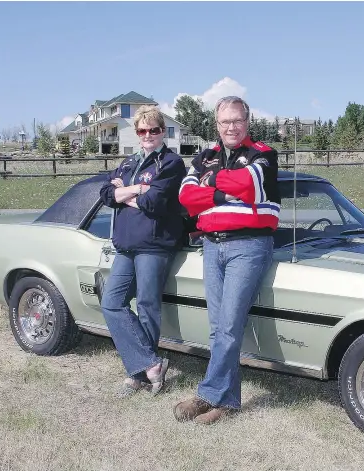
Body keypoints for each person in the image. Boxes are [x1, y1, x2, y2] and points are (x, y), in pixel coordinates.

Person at [175, 96, 281, 424]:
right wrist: (222, 192)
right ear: (216, 125)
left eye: (237, 120)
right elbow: (185, 196)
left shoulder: (263, 154)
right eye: (224, 122)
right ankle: (227, 402)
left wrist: (210, 181)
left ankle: (207, 395)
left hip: (248, 246)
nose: (231, 127)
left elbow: (247, 184)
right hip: (211, 245)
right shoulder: (205, 156)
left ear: (247, 122)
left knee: (230, 326)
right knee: (218, 327)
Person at [98, 105, 186, 398]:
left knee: (147, 306)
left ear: (163, 132)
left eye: (154, 130)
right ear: (136, 133)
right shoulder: (127, 162)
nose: (148, 135)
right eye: (142, 130)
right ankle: (150, 364)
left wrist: (128, 192)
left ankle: (138, 375)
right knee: (112, 303)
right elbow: (106, 195)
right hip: (125, 245)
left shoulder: (172, 163)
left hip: (154, 245)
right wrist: (138, 190)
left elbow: (157, 203)